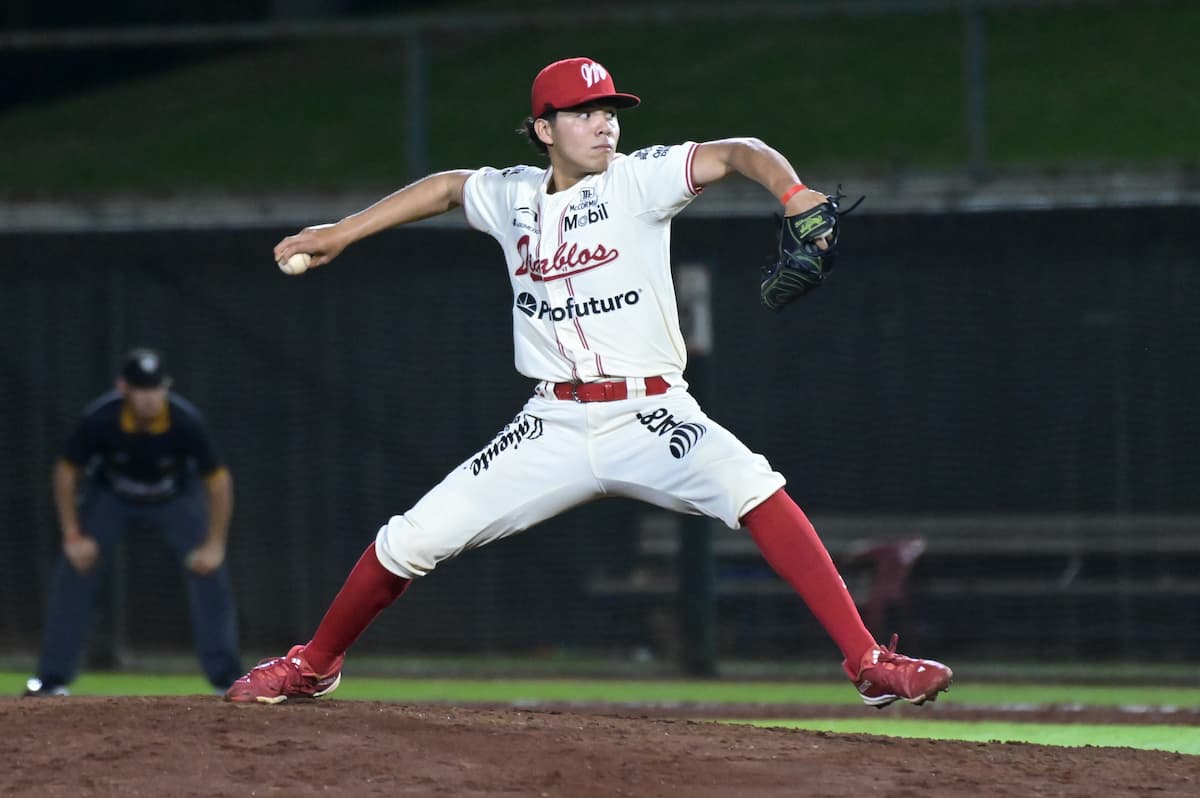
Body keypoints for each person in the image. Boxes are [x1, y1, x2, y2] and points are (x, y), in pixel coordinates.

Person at [225, 57, 952, 707]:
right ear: (543, 128)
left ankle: (867, 662)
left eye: (610, 111)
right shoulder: (509, 196)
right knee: (409, 540)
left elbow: (737, 152)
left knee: (755, 489)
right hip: (551, 424)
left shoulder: (640, 181)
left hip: (652, 415)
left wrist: (790, 191)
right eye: (584, 113)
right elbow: (448, 188)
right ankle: (313, 666)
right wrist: (341, 232)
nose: (604, 124)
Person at [24, 348, 242, 696]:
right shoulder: (102, 418)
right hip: (112, 498)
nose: (150, 397)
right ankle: (51, 680)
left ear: (165, 387)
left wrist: (215, 544)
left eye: (156, 387)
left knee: (209, 572)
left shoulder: (184, 420)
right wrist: (72, 534)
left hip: (174, 499)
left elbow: (218, 483)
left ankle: (226, 680)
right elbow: (66, 472)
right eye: (141, 388)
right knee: (76, 567)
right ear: (123, 388)